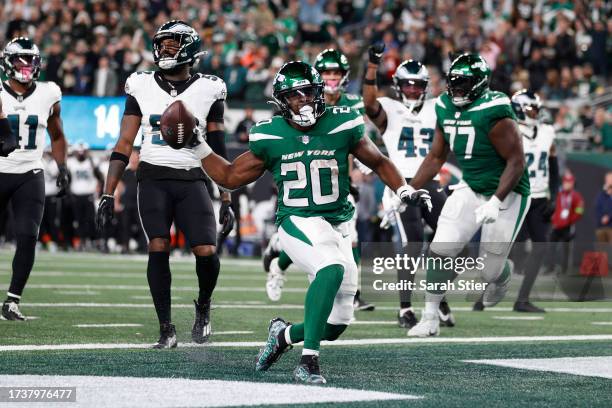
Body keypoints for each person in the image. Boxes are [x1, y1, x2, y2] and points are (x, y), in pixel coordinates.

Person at [192, 61, 429, 383]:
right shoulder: (269, 133)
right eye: (295, 95)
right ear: (281, 101)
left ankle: (284, 335)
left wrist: (404, 189)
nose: (303, 100)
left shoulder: (343, 123)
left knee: (337, 323)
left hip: (339, 224)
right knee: (330, 268)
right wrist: (198, 145)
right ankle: (308, 362)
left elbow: (378, 160)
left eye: (309, 92)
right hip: (297, 220)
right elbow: (230, 177)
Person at [95, 21, 235, 348]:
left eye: (172, 44)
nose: (164, 49)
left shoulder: (210, 88)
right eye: (162, 43)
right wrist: (107, 191)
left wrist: (227, 198)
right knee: (158, 245)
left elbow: (218, 146)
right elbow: (124, 142)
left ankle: (203, 305)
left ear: (188, 47)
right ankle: (166, 327)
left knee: (206, 250)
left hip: (192, 177)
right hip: (153, 176)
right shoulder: (141, 85)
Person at [405, 53, 531, 337]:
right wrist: (406, 189)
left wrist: (496, 201)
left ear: (481, 84)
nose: (458, 89)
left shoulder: (494, 108)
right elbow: (436, 157)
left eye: (465, 83)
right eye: (455, 82)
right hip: (472, 187)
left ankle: (502, 276)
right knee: (440, 249)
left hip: (508, 192)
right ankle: (429, 319)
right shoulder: (444, 105)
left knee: (489, 270)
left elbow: (517, 162)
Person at [263, 48, 374, 312]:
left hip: (340, 182)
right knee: (318, 230)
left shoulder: (353, 104)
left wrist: (358, 170)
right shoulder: (301, 99)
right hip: (307, 178)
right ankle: (280, 261)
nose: (332, 77)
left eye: (336, 72)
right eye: (327, 72)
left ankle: (350, 291)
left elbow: (355, 144)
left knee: (347, 235)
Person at [363, 44, 452, 329]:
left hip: (431, 182)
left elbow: (458, 105)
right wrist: (372, 66)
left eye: (418, 85)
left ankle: (436, 296)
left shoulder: (436, 106)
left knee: (453, 241)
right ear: (398, 86)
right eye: (408, 85)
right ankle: (404, 308)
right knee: (413, 244)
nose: (413, 90)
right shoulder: (389, 108)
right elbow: (369, 104)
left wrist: (453, 71)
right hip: (401, 184)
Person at [0, 37, 69, 321]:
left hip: (30, 172)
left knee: (28, 236)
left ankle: (12, 301)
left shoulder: (48, 93)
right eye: (20, 60)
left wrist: (62, 165)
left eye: (31, 60)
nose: (26, 66)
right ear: (8, 63)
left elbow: (57, 134)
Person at [67, 142, 103, 251]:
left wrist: (99, 191)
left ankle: (92, 240)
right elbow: (67, 180)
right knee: (78, 220)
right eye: (79, 152)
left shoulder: (92, 162)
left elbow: (100, 177)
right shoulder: (70, 163)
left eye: (83, 152)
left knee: (90, 220)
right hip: (76, 195)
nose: (81, 154)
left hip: (89, 195)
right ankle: (81, 241)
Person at [548, 172, 584, 274]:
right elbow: (554, 209)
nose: (566, 184)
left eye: (569, 182)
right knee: (551, 247)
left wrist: (570, 220)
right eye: (565, 182)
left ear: (572, 183)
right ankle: (550, 267)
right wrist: (554, 219)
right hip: (556, 226)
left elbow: (580, 211)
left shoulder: (576, 196)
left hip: (568, 226)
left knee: (566, 249)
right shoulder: (559, 195)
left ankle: (565, 269)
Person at [595, 171, 612, 243]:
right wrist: (601, 218)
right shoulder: (601, 194)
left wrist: (609, 217)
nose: (608, 180)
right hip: (601, 227)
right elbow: (597, 208)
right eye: (607, 179)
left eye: (610, 178)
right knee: (602, 252)